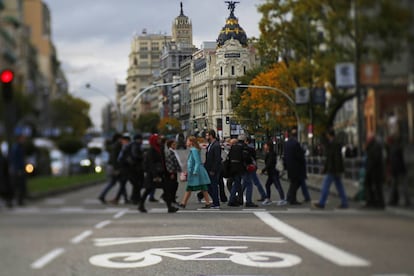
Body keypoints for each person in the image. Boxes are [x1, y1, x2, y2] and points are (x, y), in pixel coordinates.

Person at [139, 134, 178, 213]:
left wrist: (168, 172)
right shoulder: (151, 150)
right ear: (154, 140)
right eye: (157, 139)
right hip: (153, 174)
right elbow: (151, 164)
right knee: (148, 190)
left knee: (166, 190)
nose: (159, 140)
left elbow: (163, 162)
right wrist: (155, 175)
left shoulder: (159, 148)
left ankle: (170, 207)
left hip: (161, 173)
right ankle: (141, 205)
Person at [313, 129, 348, 209]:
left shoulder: (333, 144)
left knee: (326, 186)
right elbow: (333, 158)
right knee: (339, 186)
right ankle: (344, 202)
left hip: (332, 169)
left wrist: (327, 168)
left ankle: (322, 203)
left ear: (329, 135)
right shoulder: (335, 143)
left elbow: (332, 158)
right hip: (335, 169)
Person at [178, 136, 211, 209]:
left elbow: (197, 161)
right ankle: (207, 202)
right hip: (196, 171)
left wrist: (195, 171)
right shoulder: (194, 149)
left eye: (187, 141)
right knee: (202, 187)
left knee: (190, 187)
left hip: (195, 172)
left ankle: (183, 203)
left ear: (191, 142)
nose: (186, 142)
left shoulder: (194, 150)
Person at [117, 133, 145, 204]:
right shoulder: (135, 145)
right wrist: (142, 156)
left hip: (130, 167)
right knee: (136, 184)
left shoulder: (131, 145)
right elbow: (135, 155)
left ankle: (133, 198)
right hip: (133, 168)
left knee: (134, 184)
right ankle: (135, 198)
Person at [98, 133, 122, 204]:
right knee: (117, 182)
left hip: (111, 166)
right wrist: (116, 169)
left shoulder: (114, 145)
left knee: (117, 183)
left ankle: (103, 195)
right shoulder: (117, 145)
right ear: (118, 138)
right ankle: (103, 195)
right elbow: (114, 158)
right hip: (113, 167)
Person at [283, 127, 305, 205]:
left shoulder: (287, 143)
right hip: (296, 167)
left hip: (290, 166)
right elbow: (299, 156)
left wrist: (285, 165)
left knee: (293, 183)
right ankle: (292, 198)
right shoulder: (296, 144)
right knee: (295, 183)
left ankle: (290, 197)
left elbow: (285, 156)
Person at [387, 135, 410, 207]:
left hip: (397, 170)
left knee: (395, 186)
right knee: (402, 186)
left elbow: (394, 161)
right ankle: (405, 200)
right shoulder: (397, 148)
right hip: (401, 169)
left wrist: (392, 171)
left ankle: (394, 200)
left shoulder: (393, 149)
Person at [363, 133, 385, 209]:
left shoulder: (376, 146)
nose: (367, 139)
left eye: (368, 138)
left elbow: (374, 159)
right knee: (370, 186)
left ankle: (379, 203)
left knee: (377, 187)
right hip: (371, 169)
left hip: (375, 170)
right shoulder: (371, 145)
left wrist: (369, 168)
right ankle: (372, 202)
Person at [261, 140, 286, 205]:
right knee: (268, 185)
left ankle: (282, 199)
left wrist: (263, 170)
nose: (264, 146)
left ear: (268, 146)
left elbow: (269, 164)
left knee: (277, 185)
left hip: (273, 172)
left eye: (265, 145)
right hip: (272, 173)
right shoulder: (270, 153)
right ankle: (268, 199)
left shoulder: (271, 153)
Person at [108, 134, 131, 204]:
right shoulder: (121, 146)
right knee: (122, 184)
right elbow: (118, 158)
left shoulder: (125, 146)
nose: (122, 141)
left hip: (125, 168)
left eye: (123, 140)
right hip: (123, 168)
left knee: (122, 184)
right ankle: (122, 199)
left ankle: (119, 199)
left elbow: (122, 158)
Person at [243, 136, 266, 202]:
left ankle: (263, 195)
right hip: (253, 166)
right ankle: (263, 195)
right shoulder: (252, 147)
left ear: (247, 141)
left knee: (252, 182)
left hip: (250, 167)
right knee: (246, 182)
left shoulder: (248, 148)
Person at [203, 129, 222, 208]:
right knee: (208, 186)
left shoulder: (216, 145)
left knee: (213, 186)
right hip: (208, 168)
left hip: (213, 170)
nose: (206, 137)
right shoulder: (210, 144)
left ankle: (216, 203)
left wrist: (213, 170)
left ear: (211, 135)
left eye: (207, 135)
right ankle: (215, 200)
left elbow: (217, 159)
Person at [8, 132, 27, 206]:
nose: (24, 140)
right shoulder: (16, 147)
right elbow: (15, 159)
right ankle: (15, 200)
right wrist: (17, 169)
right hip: (18, 170)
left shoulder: (20, 147)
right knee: (17, 185)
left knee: (21, 185)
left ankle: (20, 200)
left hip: (20, 169)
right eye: (22, 138)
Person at [165, 139, 182, 204]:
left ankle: (172, 198)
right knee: (173, 185)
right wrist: (171, 173)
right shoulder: (170, 152)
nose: (175, 145)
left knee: (175, 185)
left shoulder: (173, 151)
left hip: (175, 171)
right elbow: (170, 164)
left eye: (175, 144)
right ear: (170, 145)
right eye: (173, 144)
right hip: (172, 172)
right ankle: (171, 199)